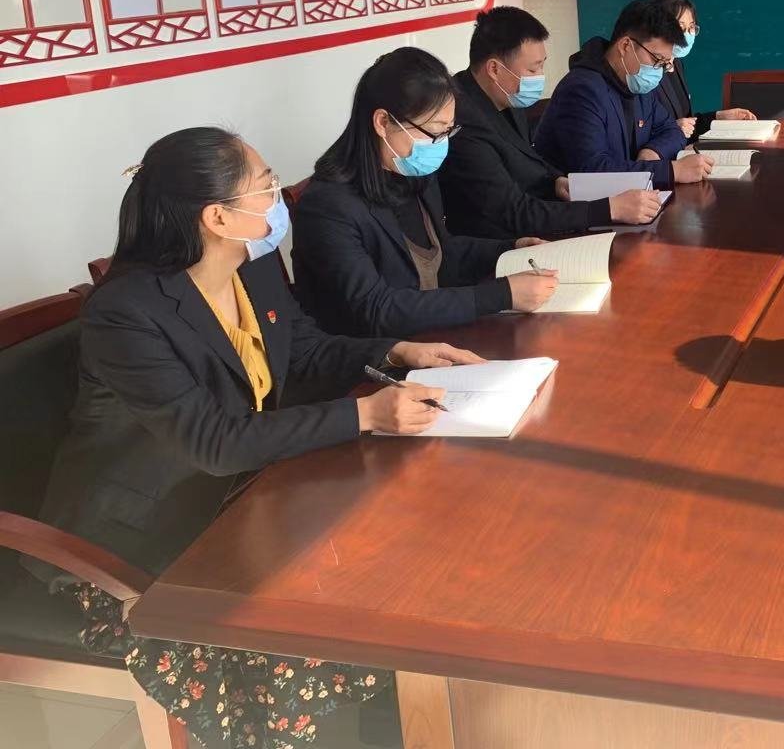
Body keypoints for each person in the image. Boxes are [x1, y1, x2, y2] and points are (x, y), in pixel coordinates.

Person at [27, 126, 482, 748]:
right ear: (217, 216)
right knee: (310, 628)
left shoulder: (252, 265)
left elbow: (303, 351)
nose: (277, 199)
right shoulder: (125, 313)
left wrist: (397, 350)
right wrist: (367, 415)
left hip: (244, 500)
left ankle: (412, 720)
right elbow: (214, 443)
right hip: (141, 544)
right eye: (266, 186)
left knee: (393, 560)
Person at [292, 48, 558, 337]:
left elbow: (441, 253)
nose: (441, 144)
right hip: (378, 354)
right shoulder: (327, 206)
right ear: (383, 123)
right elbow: (375, 309)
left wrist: (510, 249)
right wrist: (501, 295)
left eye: (448, 131)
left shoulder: (414, 173)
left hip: (434, 335)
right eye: (434, 131)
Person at [441, 6, 664, 241]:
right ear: (494, 69)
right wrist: (610, 209)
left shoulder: (505, 95)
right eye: (532, 68)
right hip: (498, 243)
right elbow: (512, 210)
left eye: (542, 65)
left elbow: (527, 158)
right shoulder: (461, 122)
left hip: (535, 221)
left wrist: (555, 180)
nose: (540, 76)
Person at [534, 0, 714, 186]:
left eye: (664, 64)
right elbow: (592, 170)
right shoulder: (582, 90)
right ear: (626, 46)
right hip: (580, 202)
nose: (659, 71)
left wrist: (653, 151)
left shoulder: (638, 85)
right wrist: (672, 171)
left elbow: (672, 130)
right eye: (657, 60)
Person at [652, 0, 756, 141]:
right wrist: (671, 129)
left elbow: (687, 124)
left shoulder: (677, 64)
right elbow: (641, 131)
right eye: (680, 27)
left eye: (691, 28)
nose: (687, 34)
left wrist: (719, 117)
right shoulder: (648, 73)